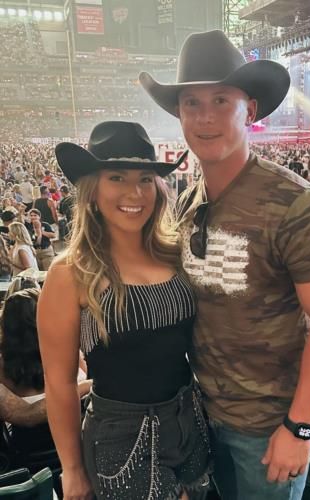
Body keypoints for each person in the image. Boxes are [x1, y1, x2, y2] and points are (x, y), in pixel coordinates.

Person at [140, 29, 310, 500]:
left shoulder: (297, 205)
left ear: (249, 110)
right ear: (179, 114)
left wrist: (298, 426)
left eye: (221, 100)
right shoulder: (188, 202)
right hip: (201, 417)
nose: (205, 116)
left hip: (269, 427)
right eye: (191, 103)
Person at [37, 121, 210, 500]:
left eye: (146, 179)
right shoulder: (69, 274)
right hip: (122, 436)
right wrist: (72, 470)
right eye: (117, 177)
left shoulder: (175, 254)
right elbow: (60, 383)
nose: (135, 192)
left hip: (191, 417)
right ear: (92, 191)